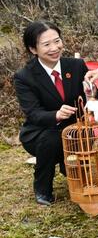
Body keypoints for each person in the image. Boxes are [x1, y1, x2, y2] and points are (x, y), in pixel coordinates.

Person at [15, 21, 89, 205]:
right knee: (53, 138)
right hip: (40, 132)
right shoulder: (25, 76)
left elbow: (95, 97)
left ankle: (72, 169)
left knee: (72, 135)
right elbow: (33, 113)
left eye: (57, 41)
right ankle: (42, 187)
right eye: (46, 44)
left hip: (75, 128)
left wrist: (91, 94)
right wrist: (56, 114)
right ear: (33, 49)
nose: (54, 48)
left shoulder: (77, 66)